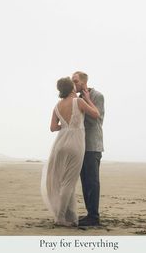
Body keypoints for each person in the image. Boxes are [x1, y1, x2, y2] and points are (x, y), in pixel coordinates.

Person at [41, 77, 100, 227]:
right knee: (69, 182)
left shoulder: (57, 106)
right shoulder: (78, 101)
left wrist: (66, 127)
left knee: (59, 180)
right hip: (75, 143)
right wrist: (87, 98)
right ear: (72, 88)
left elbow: (53, 127)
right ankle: (60, 218)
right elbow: (96, 114)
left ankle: (63, 215)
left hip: (60, 143)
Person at [72, 71, 105, 226]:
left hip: (93, 145)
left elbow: (97, 118)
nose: (74, 84)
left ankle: (94, 216)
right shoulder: (77, 99)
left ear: (84, 82)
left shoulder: (97, 96)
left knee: (92, 181)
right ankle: (89, 214)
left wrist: (86, 100)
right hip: (80, 145)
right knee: (85, 181)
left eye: (76, 81)